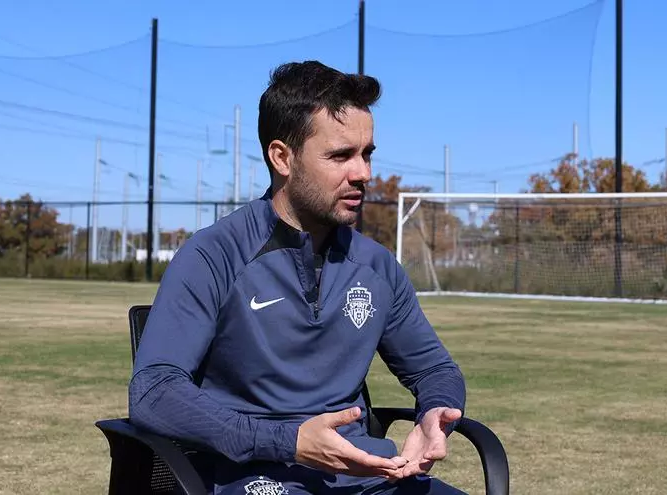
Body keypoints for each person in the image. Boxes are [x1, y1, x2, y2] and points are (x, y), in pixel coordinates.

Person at [129, 60, 467, 495]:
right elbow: (154, 391)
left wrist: (437, 412)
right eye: (341, 155)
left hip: (367, 476)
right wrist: (287, 441)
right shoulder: (213, 255)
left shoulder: (378, 267)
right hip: (254, 474)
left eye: (367, 154)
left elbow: (435, 368)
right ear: (282, 157)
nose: (363, 173)